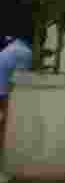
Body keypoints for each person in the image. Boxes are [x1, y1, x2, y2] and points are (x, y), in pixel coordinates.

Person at [0, 10, 33, 155]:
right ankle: (6, 154)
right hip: (4, 92)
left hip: (1, 88)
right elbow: (20, 80)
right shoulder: (25, 52)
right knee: (8, 125)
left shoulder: (10, 48)